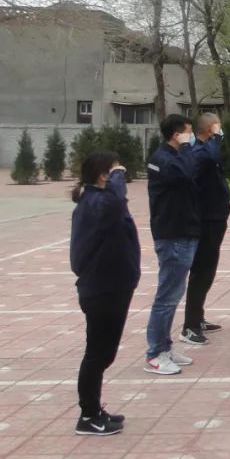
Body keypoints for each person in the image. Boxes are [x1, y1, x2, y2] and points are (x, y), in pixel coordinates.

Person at [69, 151, 140, 435]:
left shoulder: (100, 201)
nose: (121, 175)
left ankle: (95, 409)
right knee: (97, 354)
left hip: (113, 285)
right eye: (115, 171)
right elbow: (114, 203)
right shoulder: (96, 202)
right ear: (103, 175)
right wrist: (118, 177)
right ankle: (87, 415)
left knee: (104, 354)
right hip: (101, 289)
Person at [145, 114, 199, 375]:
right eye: (188, 132)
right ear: (177, 135)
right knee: (167, 296)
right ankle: (155, 353)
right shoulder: (162, 159)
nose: (191, 137)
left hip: (184, 231)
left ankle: (165, 347)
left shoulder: (173, 157)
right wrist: (187, 147)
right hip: (172, 234)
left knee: (174, 294)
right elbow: (187, 172)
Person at [181, 113, 230, 346]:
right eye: (217, 126)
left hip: (215, 217)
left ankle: (197, 317)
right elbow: (212, 158)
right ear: (210, 129)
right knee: (201, 272)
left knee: (208, 271)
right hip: (205, 220)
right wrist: (216, 137)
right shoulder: (201, 151)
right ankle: (189, 326)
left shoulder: (206, 150)